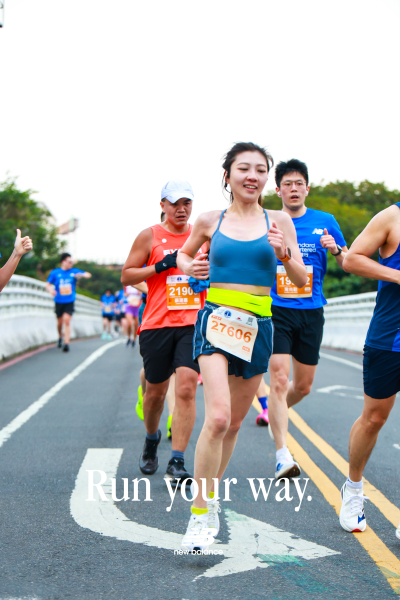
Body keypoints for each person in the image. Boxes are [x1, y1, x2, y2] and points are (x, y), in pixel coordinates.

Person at [176, 142, 307, 551]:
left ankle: (210, 496)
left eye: (260, 170)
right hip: (216, 320)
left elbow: (301, 278)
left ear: (267, 178)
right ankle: (199, 514)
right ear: (228, 175)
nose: (252, 176)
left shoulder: (279, 220)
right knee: (217, 418)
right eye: (244, 168)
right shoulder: (209, 220)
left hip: (258, 326)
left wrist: (284, 254)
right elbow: (182, 256)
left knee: (233, 424)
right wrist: (192, 266)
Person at [121, 179, 207, 487]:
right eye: (175, 203)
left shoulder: (203, 235)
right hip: (157, 324)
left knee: (186, 388)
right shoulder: (150, 236)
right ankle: (151, 438)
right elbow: (127, 275)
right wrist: (160, 266)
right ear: (163, 206)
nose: (181, 209)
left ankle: (177, 461)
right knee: (155, 394)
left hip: (192, 323)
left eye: (187, 203)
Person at [267, 159, 347, 480]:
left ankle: (276, 410)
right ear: (278, 190)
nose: (294, 189)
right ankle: (282, 454)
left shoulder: (325, 221)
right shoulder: (268, 222)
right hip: (277, 309)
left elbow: (348, 262)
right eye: (287, 184)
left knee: (302, 386)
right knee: (278, 379)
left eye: (299, 183)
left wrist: (336, 249)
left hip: (312, 311)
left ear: (307, 188)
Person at [338, 202, 400, 536]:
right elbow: (351, 259)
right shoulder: (392, 217)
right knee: (374, 418)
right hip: (389, 338)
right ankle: (353, 488)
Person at [46, 253, 91, 352]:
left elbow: (88, 274)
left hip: (70, 300)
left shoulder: (74, 271)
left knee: (67, 320)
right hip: (58, 300)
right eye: (69, 262)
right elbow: (47, 284)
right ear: (63, 262)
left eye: (72, 262)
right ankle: (60, 336)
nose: (71, 264)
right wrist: (50, 290)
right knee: (59, 323)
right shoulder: (55, 272)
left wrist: (81, 275)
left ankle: (66, 343)